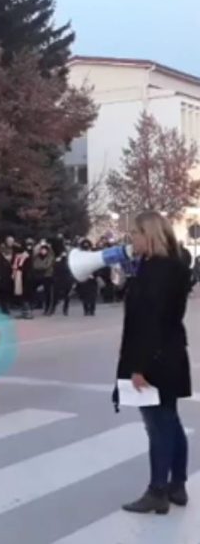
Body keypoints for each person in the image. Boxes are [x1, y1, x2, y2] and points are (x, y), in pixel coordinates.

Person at [117, 211, 192, 515]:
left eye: (134, 233)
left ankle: (157, 490)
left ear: (149, 234)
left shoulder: (155, 271)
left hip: (153, 358)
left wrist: (137, 367)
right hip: (171, 353)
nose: (130, 239)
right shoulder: (171, 265)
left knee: (157, 425)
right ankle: (177, 484)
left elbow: (150, 321)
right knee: (170, 421)